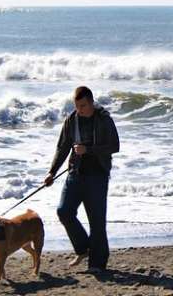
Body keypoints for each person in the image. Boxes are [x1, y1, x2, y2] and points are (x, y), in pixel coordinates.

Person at [44, 86, 120, 272]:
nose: (80, 110)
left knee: (97, 222)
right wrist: (52, 172)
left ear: (92, 102)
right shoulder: (71, 120)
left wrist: (89, 150)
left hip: (97, 176)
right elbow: (62, 148)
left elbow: (114, 146)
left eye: (83, 105)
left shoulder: (104, 119)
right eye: (77, 106)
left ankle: (97, 264)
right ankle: (83, 249)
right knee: (64, 211)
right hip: (75, 174)